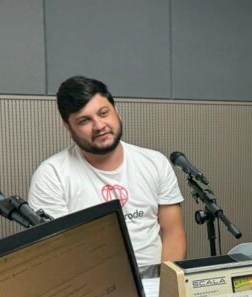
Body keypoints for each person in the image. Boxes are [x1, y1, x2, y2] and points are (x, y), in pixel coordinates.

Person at [29, 76, 186, 271]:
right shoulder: (51, 176)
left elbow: (173, 232)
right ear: (68, 127)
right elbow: (59, 254)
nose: (99, 126)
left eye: (103, 113)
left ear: (116, 112)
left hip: (156, 280)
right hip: (94, 283)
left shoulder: (155, 162)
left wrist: (166, 285)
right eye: (84, 120)